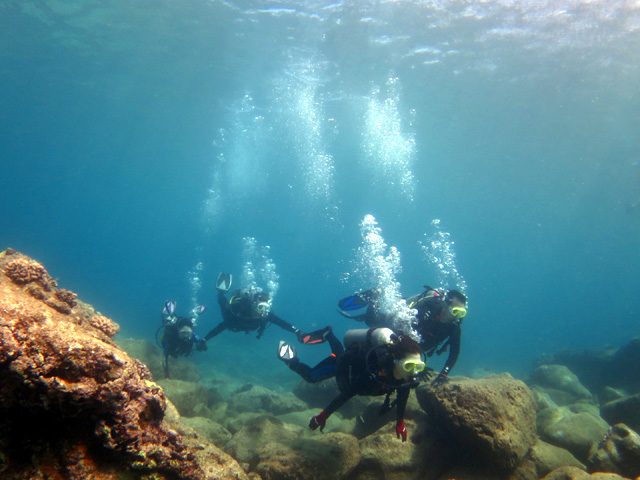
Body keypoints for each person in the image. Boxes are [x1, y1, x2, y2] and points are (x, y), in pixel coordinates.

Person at [277, 327, 424, 442]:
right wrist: (323, 415)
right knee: (312, 376)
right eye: (409, 366)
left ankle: (328, 334)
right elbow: (349, 392)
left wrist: (400, 423)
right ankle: (291, 361)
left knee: (338, 352)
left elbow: (403, 395)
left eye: (418, 366)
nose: (414, 372)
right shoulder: (375, 372)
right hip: (343, 366)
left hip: (349, 361)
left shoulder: (404, 378)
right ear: (396, 361)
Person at [337, 286, 467, 386]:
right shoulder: (425, 310)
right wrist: (413, 364)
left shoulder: (454, 327)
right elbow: (404, 339)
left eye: (461, 313)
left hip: (411, 341)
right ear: (445, 305)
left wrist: (443, 374)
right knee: (372, 321)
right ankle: (376, 294)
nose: (456, 317)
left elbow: (454, 352)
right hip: (397, 324)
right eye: (455, 311)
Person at [203, 272, 326, 345]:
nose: (263, 311)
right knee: (224, 306)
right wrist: (205, 339)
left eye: (266, 307)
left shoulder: (265, 314)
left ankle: (221, 293)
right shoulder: (239, 309)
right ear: (254, 305)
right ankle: (221, 292)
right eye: (261, 307)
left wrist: (299, 332)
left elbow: (282, 323)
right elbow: (221, 327)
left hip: (242, 326)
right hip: (233, 323)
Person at [159, 300, 208, 378]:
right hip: (173, 341)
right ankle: (168, 311)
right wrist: (166, 373)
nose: (186, 335)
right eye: (183, 332)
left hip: (184, 337)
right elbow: (164, 356)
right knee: (166, 321)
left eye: (188, 333)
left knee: (192, 320)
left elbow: (199, 341)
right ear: (178, 330)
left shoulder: (192, 334)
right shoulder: (170, 337)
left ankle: (195, 313)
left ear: (191, 331)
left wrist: (202, 344)